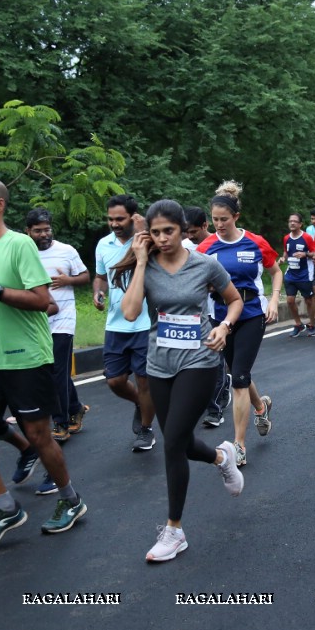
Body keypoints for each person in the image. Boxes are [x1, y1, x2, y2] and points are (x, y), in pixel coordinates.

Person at [108, 199, 245, 560]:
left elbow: (234, 301)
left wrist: (225, 327)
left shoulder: (205, 264)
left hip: (199, 360)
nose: (163, 238)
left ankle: (174, 531)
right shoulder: (146, 266)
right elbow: (131, 311)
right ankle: (221, 457)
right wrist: (139, 262)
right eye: (155, 232)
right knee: (180, 444)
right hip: (159, 364)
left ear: (183, 230)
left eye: (169, 231)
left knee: (171, 447)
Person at [0, 178, 86, 548]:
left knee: (39, 436)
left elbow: (42, 300)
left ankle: (71, 499)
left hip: (26, 358)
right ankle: (6, 506)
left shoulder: (20, 244)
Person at [196, 181, 281, 466]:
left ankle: (239, 444)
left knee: (240, 378)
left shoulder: (255, 242)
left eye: (224, 219)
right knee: (237, 371)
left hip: (252, 315)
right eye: (215, 220)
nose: (219, 225)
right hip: (221, 318)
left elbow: (275, 271)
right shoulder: (206, 246)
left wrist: (273, 300)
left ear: (236, 218)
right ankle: (261, 406)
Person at [94, 195, 157, 452]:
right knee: (115, 380)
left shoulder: (146, 240)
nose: (114, 223)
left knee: (144, 381)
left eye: (120, 218)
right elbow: (99, 276)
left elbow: (154, 261)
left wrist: (142, 230)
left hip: (144, 323)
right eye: (110, 219)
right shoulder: (103, 245)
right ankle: (140, 404)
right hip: (115, 325)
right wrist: (97, 292)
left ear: (134, 216)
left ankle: (145, 429)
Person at [26, 208, 91, 443]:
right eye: (38, 231)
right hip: (35, 322)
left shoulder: (66, 251)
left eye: (47, 230)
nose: (44, 234)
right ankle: (76, 407)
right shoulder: (24, 254)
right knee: (53, 372)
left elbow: (85, 276)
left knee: (56, 372)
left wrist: (68, 280)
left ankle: (60, 422)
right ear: (28, 232)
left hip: (63, 319)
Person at [184, 205, 233, 427]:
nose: (189, 236)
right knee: (201, 361)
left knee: (216, 359)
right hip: (195, 314)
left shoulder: (218, 243)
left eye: (193, 231)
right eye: (186, 231)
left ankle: (215, 409)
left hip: (221, 312)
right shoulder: (184, 247)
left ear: (205, 225)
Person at [281, 212, 315, 337]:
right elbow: (286, 252)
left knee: (308, 300)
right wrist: (282, 258)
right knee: (290, 300)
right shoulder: (286, 238)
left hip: (305, 274)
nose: (292, 223)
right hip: (291, 273)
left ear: (300, 224)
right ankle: (298, 324)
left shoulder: (307, 238)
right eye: (290, 221)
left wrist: (305, 254)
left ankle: (312, 324)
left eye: (295, 221)